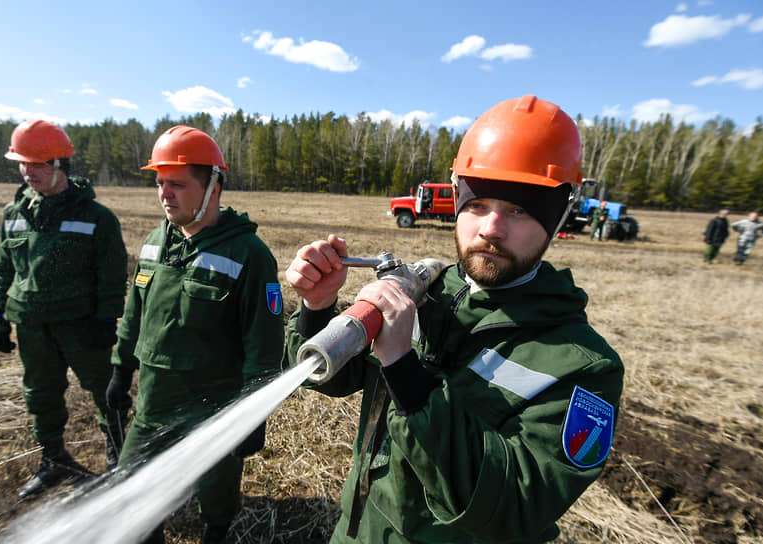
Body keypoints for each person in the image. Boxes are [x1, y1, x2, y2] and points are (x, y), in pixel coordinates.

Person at [283, 95, 624, 543]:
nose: (491, 229)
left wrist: (405, 369)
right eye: (478, 204)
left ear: (559, 214)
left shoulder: (583, 367)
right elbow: (329, 380)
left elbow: (515, 507)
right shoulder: (427, 294)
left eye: (520, 210)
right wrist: (318, 309)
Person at [106, 125, 284, 544]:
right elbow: (135, 311)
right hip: (153, 401)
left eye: (178, 185)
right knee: (132, 492)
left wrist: (254, 412)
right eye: (160, 183)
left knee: (216, 493)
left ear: (213, 186)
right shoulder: (154, 243)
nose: (165, 194)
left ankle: (215, 531)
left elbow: (264, 344)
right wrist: (120, 367)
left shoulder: (248, 255)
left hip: (213, 407)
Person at [0, 119, 129, 498]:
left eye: (37, 164)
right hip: (31, 324)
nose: (28, 172)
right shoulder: (13, 213)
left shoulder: (96, 217)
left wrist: (106, 320)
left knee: (106, 393)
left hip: (81, 326)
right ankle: (53, 460)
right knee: (40, 393)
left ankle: (118, 462)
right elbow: (4, 266)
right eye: (22, 163)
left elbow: (112, 274)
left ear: (59, 165)